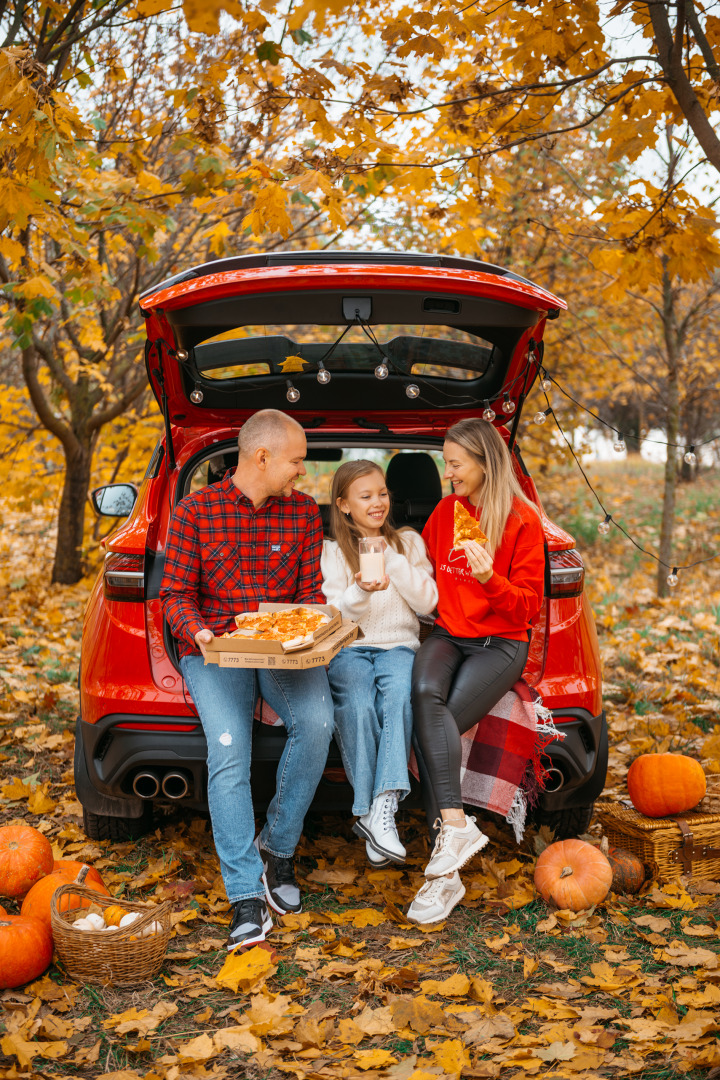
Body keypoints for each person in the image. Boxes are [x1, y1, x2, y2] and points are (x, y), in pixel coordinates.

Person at [160, 409, 335, 951]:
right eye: (297, 461)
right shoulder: (195, 512)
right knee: (229, 748)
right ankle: (245, 895)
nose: (302, 473)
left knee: (318, 722)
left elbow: (310, 598)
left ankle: (276, 850)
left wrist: (320, 629)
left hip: (281, 652)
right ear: (262, 457)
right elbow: (174, 596)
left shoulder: (304, 513)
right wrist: (200, 633)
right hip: (217, 652)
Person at [407, 418, 545, 924]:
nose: (449, 475)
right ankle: (457, 830)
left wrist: (490, 578)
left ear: (486, 464)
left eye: (456, 465)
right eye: (447, 465)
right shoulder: (447, 512)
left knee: (433, 730)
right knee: (424, 694)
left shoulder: (523, 522)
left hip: (500, 643)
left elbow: (526, 609)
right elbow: (421, 566)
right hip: (447, 634)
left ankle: (442, 881)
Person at [321, 460, 438, 866]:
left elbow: (428, 603)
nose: (378, 502)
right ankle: (372, 811)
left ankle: (382, 806)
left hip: (399, 647)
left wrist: (392, 560)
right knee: (355, 705)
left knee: (398, 700)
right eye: (365, 496)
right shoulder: (333, 551)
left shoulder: (408, 542)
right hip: (349, 648)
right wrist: (360, 590)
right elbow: (336, 615)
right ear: (344, 505)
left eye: (383, 493)